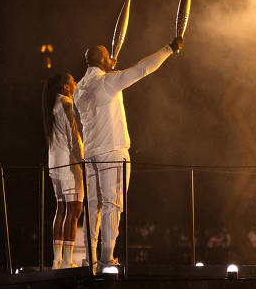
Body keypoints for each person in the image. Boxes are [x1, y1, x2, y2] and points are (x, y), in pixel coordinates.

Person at [73, 37, 183, 271]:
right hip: (112, 151)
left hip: (91, 153)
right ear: (103, 61)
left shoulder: (79, 90)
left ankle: (90, 259)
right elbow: (142, 68)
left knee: (94, 206)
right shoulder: (108, 83)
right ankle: (106, 259)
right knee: (113, 205)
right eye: (107, 56)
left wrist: (111, 70)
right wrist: (169, 49)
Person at [41, 73, 84, 269]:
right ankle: (67, 261)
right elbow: (73, 135)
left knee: (61, 208)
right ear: (66, 87)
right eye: (73, 81)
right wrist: (83, 160)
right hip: (68, 163)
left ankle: (56, 260)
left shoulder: (53, 104)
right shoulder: (66, 103)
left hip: (54, 162)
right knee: (74, 209)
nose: (76, 83)